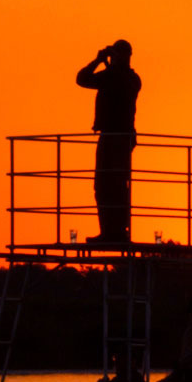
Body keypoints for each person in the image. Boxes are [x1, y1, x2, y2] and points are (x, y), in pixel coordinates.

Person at [76, 40, 141, 243]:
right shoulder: (123, 77)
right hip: (115, 136)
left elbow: (84, 79)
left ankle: (116, 233)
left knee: (112, 185)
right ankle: (112, 231)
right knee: (109, 185)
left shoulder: (122, 78)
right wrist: (101, 62)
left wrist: (101, 61)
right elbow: (84, 79)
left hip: (116, 137)